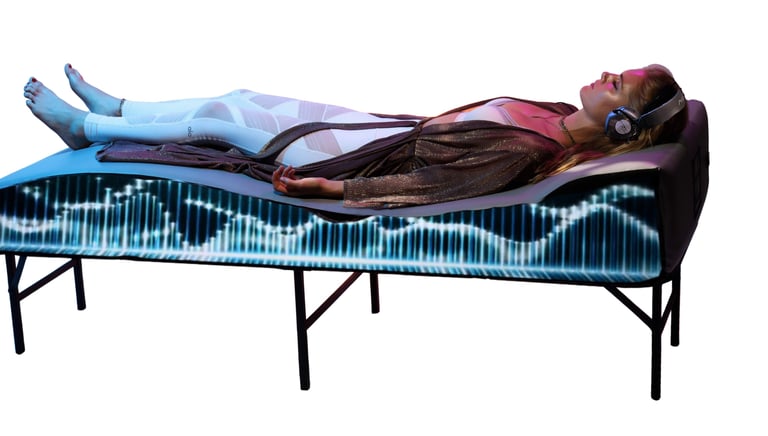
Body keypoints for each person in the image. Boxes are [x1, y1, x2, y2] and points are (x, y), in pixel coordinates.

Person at [23, 64, 687, 209]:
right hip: (380, 129)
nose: (606, 74)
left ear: (621, 122)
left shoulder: (530, 150)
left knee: (225, 123)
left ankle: (87, 129)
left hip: (364, 159)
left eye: (618, 84)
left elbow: (431, 185)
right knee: (244, 95)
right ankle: (121, 106)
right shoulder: (549, 110)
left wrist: (336, 190)